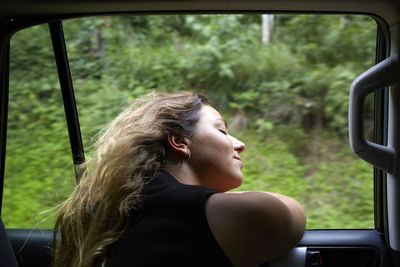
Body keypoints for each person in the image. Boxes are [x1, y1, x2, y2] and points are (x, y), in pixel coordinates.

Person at [52, 92, 306, 267]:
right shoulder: (196, 213)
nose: (240, 144)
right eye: (222, 130)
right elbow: (286, 212)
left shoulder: (124, 209)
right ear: (180, 142)